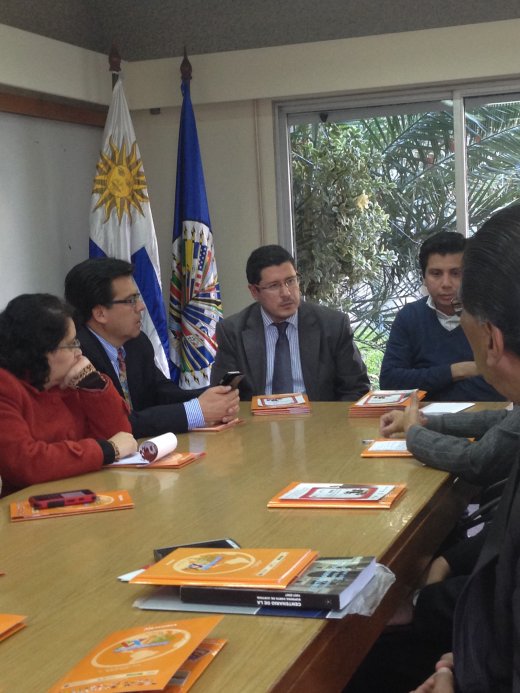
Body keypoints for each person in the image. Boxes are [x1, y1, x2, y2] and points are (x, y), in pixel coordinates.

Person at [64, 258, 239, 438]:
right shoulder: (76, 355)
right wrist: (196, 411)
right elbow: (119, 423)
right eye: (131, 300)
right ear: (100, 313)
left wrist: (211, 397)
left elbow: (161, 392)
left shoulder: (136, 343)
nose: (141, 307)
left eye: (137, 298)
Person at [0, 294, 136, 497]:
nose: (79, 352)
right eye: (71, 344)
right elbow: (27, 464)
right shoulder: (5, 386)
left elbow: (122, 436)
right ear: (42, 350)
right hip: (28, 504)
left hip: (84, 492)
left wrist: (93, 384)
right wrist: (106, 450)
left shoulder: (70, 379)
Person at [210, 244, 370, 401]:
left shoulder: (333, 325)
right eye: (274, 286)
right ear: (254, 291)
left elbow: (356, 389)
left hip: (318, 417)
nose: (286, 293)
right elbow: (222, 397)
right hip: (257, 417)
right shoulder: (233, 332)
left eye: (291, 281)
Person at [379, 231, 504, 402]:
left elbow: (500, 381)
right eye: (436, 274)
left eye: (455, 273)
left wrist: (426, 381)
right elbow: (390, 381)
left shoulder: (491, 315)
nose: (446, 284)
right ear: (424, 277)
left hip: (488, 414)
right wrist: (457, 371)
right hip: (421, 415)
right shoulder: (409, 316)